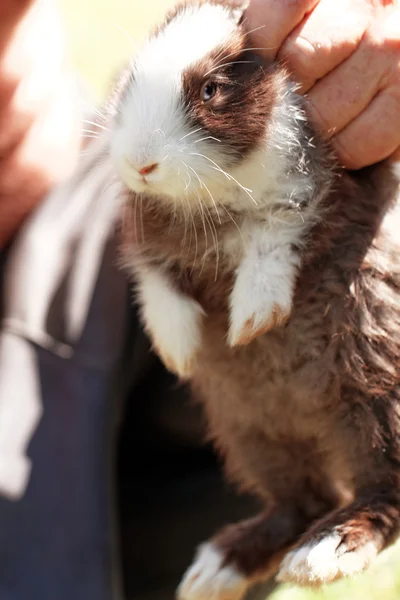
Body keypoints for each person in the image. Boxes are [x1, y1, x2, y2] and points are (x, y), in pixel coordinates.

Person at [0, 0, 398, 599]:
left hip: (47, 195)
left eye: (211, 91)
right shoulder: (138, 167)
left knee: (349, 338)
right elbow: (150, 251)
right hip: (80, 241)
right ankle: (286, 515)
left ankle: (379, 500)